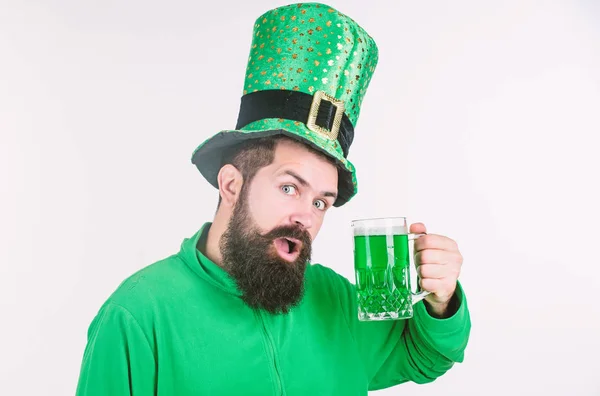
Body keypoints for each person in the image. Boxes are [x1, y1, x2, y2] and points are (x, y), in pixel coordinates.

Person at [75, 3, 471, 395]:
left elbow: (427, 355)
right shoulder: (137, 316)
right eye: (289, 188)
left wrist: (442, 299)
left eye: (321, 202)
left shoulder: (334, 299)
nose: (306, 217)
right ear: (231, 185)